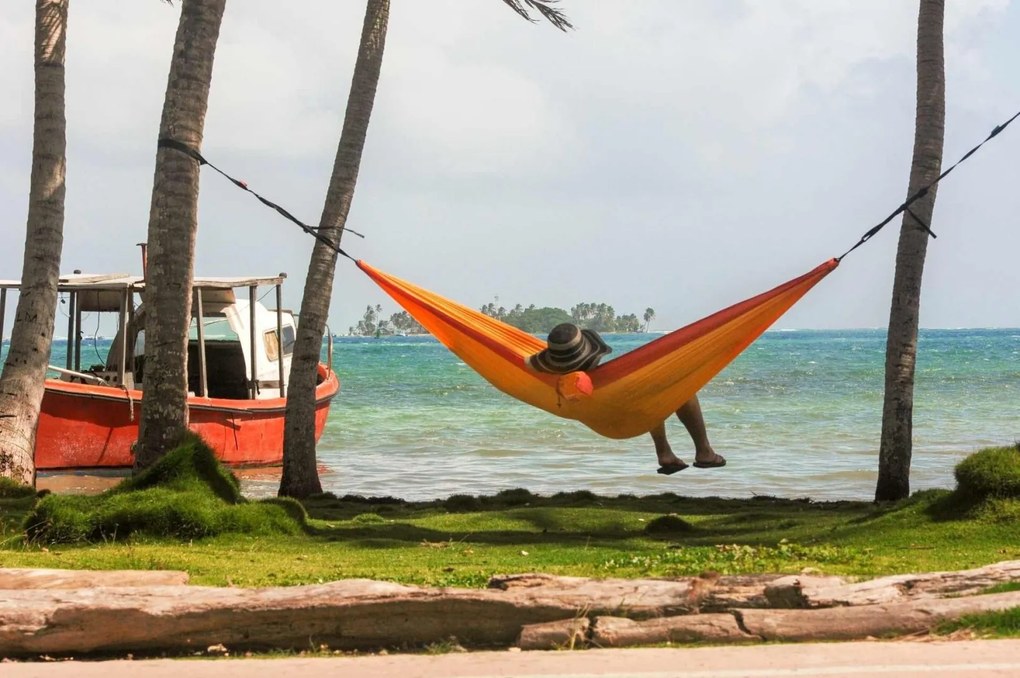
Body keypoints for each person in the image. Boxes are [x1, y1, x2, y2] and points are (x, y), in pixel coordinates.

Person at [526, 322, 726, 475]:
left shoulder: (553, 381)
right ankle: (703, 451)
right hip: (628, 417)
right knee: (681, 389)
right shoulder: (606, 380)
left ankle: (665, 453)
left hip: (603, 423)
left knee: (649, 396)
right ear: (588, 351)